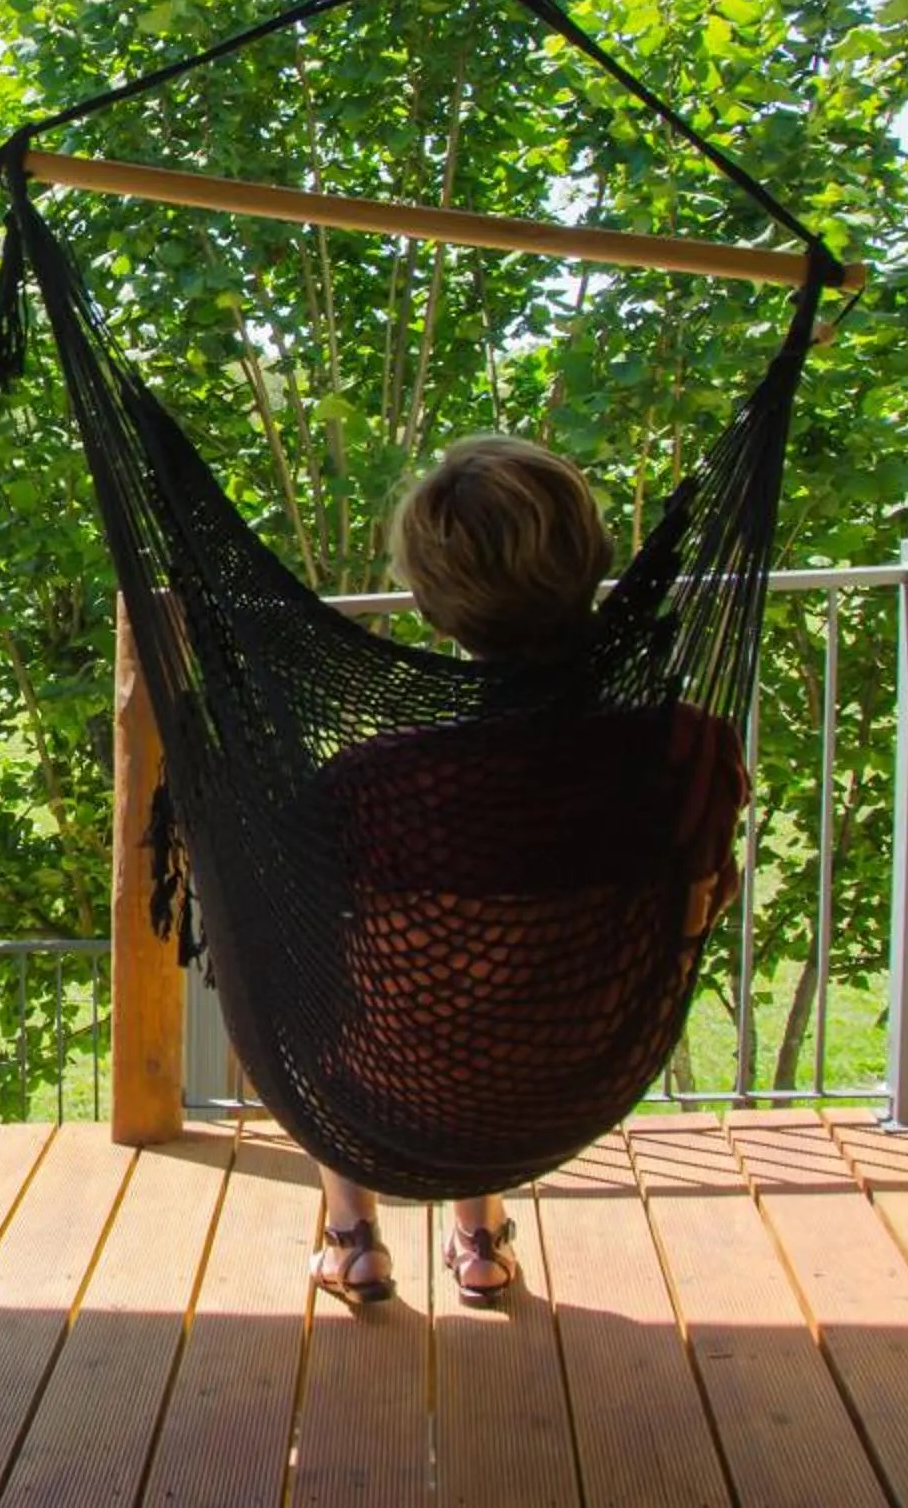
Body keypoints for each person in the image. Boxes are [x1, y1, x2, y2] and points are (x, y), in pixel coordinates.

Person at [305, 435, 746, 1310]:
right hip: (575, 1072)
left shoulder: (370, 786)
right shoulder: (688, 750)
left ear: (432, 609)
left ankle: (351, 1238)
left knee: (308, 978)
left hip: (391, 1091)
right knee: (506, 990)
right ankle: (479, 1235)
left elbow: (302, 959)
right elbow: (702, 902)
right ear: (593, 571)